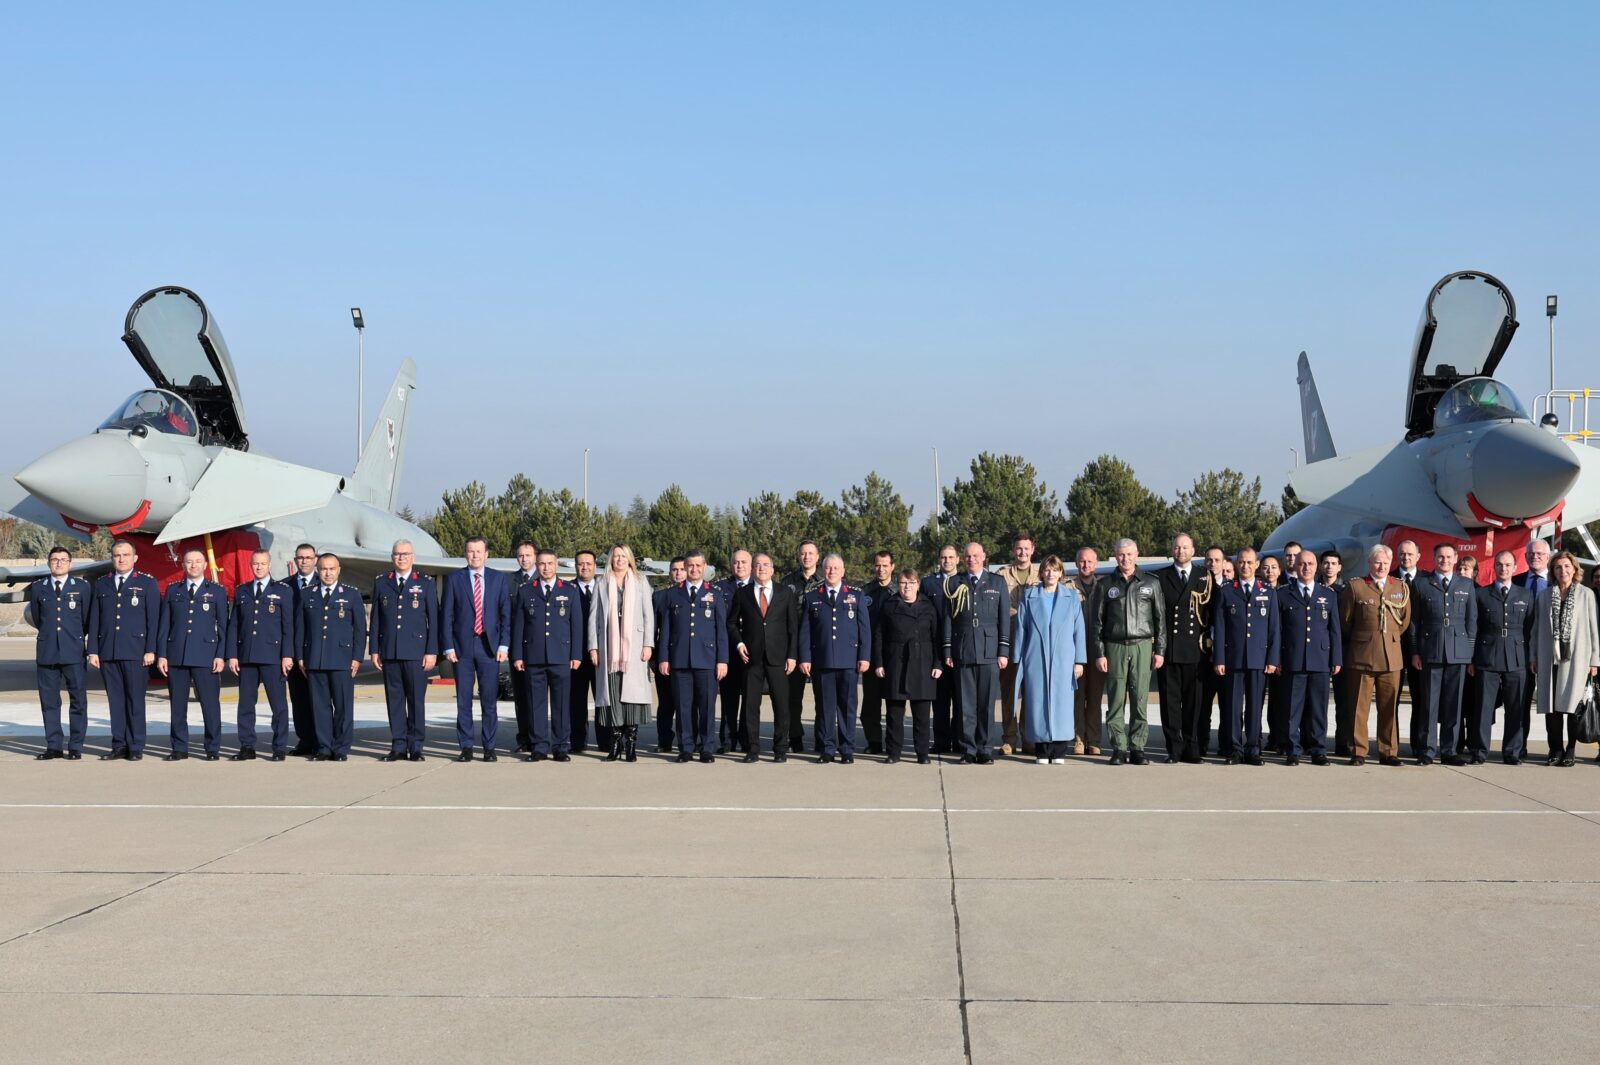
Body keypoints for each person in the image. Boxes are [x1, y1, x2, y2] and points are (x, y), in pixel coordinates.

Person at [1092, 538, 1164, 765]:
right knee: (1115, 700)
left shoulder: (1151, 583)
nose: (1125, 559)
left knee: (1140, 698)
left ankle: (1138, 748)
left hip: (1142, 645)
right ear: (1115, 556)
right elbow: (1097, 623)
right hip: (1115, 647)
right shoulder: (1105, 585)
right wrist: (1100, 653)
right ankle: (1119, 748)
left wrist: (1159, 649)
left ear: (1137, 554)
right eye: (1121, 555)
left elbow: (1160, 619)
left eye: (1129, 554)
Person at [1339, 544, 1412, 766]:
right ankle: (1358, 750)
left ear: (1391, 564)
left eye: (1386, 563)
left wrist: (1386, 640)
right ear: (1369, 563)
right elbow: (1345, 622)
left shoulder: (1400, 587)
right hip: (1362, 656)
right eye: (1377, 562)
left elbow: (1404, 621)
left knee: (1389, 707)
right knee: (1359, 707)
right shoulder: (1356, 587)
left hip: (1391, 657)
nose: (1381, 566)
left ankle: (1388, 751)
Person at [87, 539, 160, 760]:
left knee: (135, 701)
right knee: (115, 702)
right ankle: (119, 744)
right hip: (108, 651)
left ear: (135, 558)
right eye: (117, 555)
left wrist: (151, 649)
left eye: (126, 555)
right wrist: (93, 650)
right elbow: (95, 620)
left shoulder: (147, 584)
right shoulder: (102, 584)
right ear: (112, 558)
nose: (121, 559)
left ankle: (136, 746)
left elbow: (153, 620)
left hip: (136, 652)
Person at [511, 548, 585, 762]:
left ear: (556, 565)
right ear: (537, 565)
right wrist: (517, 655)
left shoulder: (569, 590)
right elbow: (519, 627)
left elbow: (576, 626)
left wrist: (576, 654)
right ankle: (539, 746)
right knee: (536, 704)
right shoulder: (526, 590)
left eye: (550, 563)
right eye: (541, 564)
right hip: (533, 657)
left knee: (562, 704)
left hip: (561, 657)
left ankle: (561, 746)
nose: (546, 567)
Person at [441, 536, 510, 761]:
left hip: (489, 647)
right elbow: (447, 616)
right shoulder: (454, 579)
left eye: (479, 551)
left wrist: (503, 644)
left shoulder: (498, 579)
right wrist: (448, 647)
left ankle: (489, 747)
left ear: (486, 554)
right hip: (463, 648)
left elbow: (505, 615)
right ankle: (466, 746)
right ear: (465, 554)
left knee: (489, 700)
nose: (475, 555)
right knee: (463, 700)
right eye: (470, 551)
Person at [1408, 543, 1478, 766]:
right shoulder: (1421, 584)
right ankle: (1427, 750)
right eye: (1440, 557)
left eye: (1449, 557)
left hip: (1458, 652)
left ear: (1456, 558)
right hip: (1431, 651)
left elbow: (1471, 621)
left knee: (1453, 704)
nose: (1444, 560)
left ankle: (1449, 750)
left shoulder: (1466, 584)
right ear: (1434, 558)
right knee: (1429, 703)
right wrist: (1415, 651)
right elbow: (1414, 622)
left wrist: (1469, 653)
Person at [1012, 556, 1087, 765]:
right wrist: (1017, 658)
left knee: (1062, 704)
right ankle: (1042, 750)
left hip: (1064, 659)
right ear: (1041, 573)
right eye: (1047, 570)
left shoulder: (1071, 598)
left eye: (1055, 570)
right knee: (1037, 702)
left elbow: (1078, 631)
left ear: (1061, 573)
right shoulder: (1029, 597)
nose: (1050, 574)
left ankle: (1059, 750)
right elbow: (1021, 629)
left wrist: (1079, 660)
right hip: (1035, 657)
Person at [368, 540, 438, 762]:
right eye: (397, 554)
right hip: (390, 651)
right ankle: (398, 745)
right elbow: (377, 619)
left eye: (405, 554)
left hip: (416, 652)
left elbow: (433, 621)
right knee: (394, 699)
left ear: (413, 557)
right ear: (392, 557)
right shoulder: (382, 583)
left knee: (416, 700)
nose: (401, 558)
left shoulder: (425, 583)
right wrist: (375, 650)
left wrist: (431, 651)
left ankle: (416, 745)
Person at [799, 553, 872, 763]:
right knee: (824, 707)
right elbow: (805, 631)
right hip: (822, 661)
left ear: (843, 571)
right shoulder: (813, 596)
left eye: (835, 568)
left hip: (849, 661)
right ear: (822, 570)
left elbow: (864, 630)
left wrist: (864, 657)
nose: (831, 572)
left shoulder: (855, 595)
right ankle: (828, 748)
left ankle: (847, 748)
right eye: (828, 568)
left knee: (847, 707)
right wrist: (805, 658)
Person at [943, 541, 1011, 765]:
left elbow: (1003, 619)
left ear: (984, 557)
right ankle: (968, 749)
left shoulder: (996, 582)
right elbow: (947, 619)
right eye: (968, 556)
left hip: (989, 651)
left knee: (986, 704)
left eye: (975, 556)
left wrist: (1003, 650)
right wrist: (948, 649)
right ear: (963, 559)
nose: (972, 559)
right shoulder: (954, 582)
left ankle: (985, 748)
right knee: (965, 705)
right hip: (963, 650)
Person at [157, 548, 228, 761]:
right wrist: (162, 654)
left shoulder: (216, 591)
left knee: (210, 704)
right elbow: (164, 625)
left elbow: (224, 626)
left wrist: (220, 655)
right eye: (189, 561)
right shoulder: (173, 590)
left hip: (206, 655)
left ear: (205, 565)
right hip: (177, 654)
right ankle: (179, 748)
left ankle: (212, 748)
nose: (193, 565)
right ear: (183, 565)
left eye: (198, 561)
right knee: (178, 705)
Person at [729, 553, 800, 761]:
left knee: (781, 706)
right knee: (751, 705)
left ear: (773, 569)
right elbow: (731, 623)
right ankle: (752, 749)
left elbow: (793, 628)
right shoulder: (742, 594)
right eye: (758, 565)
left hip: (779, 658)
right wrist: (739, 643)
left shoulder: (785, 593)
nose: (761, 568)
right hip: (751, 658)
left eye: (766, 565)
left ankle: (780, 749)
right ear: (752, 569)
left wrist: (792, 656)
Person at [659, 549, 728, 762]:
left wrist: (722, 660)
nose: (694, 569)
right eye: (691, 565)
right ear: (685, 567)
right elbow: (666, 630)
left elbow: (721, 631)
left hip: (707, 660)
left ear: (704, 567)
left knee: (707, 706)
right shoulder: (672, 594)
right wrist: (663, 657)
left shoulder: (714, 594)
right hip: (680, 659)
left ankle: (706, 747)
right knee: (683, 707)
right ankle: (686, 747)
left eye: (698, 566)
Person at [1212, 547, 1279, 765]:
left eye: (1250, 562)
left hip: (1258, 659)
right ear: (1235, 563)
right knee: (1232, 707)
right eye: (1241, 562)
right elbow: (1220, 628)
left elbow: (1274, 629)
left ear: (1257, 565)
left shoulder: (1268, 591)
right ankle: (1235, 749)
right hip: (1234, 658)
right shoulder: (1226, 591)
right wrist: (1219, 658)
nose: (1245, 566)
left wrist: (1272, 659)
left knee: (1254, 706)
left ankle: (1253, 749)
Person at [588, 544, 655, 763]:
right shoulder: (602, 582)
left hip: (634, 649)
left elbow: (648, 615)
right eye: (616, 556)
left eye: (623, 556)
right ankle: (615, 744)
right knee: (613, 696)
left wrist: (648, 644)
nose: (619, 559)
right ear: (610, 559)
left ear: (630, 559)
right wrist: (593, 647)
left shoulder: (640, 581)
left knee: (632, 698)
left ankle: (631, 745)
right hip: (609, 650)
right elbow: (594, 617)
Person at [295, 553, 365, 760]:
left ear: (339, 570)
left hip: (342, 659)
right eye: (324, 569)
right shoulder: (307, 594)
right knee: (320, 707)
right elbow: (301, 628)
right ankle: (324, 747)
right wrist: (300, 655)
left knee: (343, 706)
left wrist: (357, 657)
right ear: (318, 570)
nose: (328, 573)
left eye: (332, 569)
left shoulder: (351, 595)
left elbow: (359, 629)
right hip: (315, 658)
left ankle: (341, 748)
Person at [1533, 550, 1600, 766]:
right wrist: (1533, 656)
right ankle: (1555, 749)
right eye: (1558, 567)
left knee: (1572, 707)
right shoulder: (1544, 595)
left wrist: (1594, 660)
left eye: (1567, 567)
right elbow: (1535, 628)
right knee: (1551, 708)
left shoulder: (1586, 594)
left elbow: (1593, 629)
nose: (1563, 571)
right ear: (1552, 571)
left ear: (1574, 570)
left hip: (1577, 659)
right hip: (1548, 657)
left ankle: (1570, 750)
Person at [228, 549, 294, 761]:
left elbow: (288, 627)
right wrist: (232, 655)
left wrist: (287, 655)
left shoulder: (282, 590)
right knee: (246, 705)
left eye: (263, 563)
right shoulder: (242, 591)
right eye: (255, 564)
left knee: (278, 705)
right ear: (251, 565)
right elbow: (234, 625)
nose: (259, 567)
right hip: (247, 656)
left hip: (273, 657)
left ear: (269, 565)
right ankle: (247, 746)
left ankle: (279, 747)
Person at [1277, 550, 1340, 766]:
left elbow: (1334, 630)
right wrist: (1276, 658)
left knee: (1318, 708)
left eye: (1311, 564)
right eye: (1302, 564)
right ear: (1296, 566)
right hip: (1293, 658)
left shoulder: (1328, 594)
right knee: (1292, 709)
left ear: (1317, 567)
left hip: (1320, 659)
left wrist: (1336, 659)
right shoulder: (1283, 593)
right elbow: (1277, 631)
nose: (1306, 568)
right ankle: (1293, 749)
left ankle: (1318, 749)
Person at [1471, 550, 1534, 765]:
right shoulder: (1481, 594)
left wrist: (1529, 656)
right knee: (1483, 707)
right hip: (1487, 655)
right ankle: (1479, 751)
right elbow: (1475, 627)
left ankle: (1512, 752)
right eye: (1499, 564)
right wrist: (1472, 658)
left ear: (1515, 568)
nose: (1503, 568)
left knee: (1515, 707)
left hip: (1517, 657)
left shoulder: (1525, 595)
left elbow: (1530, 628)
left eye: (1508, 565)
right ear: (1494, 567)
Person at [873, 566, 941, 763]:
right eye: (903, 583)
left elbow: (936, 637)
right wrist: (879, 662)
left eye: (911, 583)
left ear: (917, 584)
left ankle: (922, 753)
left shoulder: (928, 606)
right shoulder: (889, 605)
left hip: (922, 664)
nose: (906, 587)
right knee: (894, 714)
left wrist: (938, 663)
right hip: (896, 663)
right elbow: (879, 636)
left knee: (921, 715)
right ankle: (893, 753)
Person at [28, 545, 90, 760]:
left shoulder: (81, 588)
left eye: (63, 559)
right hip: (47, 653)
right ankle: (53, 745)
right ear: (49, 563)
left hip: (73, 652)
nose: (59, 563)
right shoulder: (38, 588)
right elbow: (38, 618)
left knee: (78, 701)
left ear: (70, 564)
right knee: (49, 701)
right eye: (55, 559)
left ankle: (75, 746)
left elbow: (86, 620)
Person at [1158, 533, 1211, 763]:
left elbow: (1209, 615)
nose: (1180, 551)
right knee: (1170, 705)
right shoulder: (1161, 577)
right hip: (1169, 650)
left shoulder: (1204, 577)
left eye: (1185, 547)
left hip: (1194, 651)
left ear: (1193, 551)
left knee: (1193, 703)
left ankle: (1192, 747)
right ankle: (1174, 748)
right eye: (1177, 547)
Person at [997, 533, 1040, 756]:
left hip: (1034, 640)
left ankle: (1029, 738)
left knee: (1031, 692)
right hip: (1010, 638)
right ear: (1013, 550)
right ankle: (1009, 739)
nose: (1022, 552)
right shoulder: (1002, 575)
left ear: (1033, 550)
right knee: (1009, 692)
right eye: (1018, 549)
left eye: (1026, 548)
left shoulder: (1042, 574)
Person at [782, 540, 825, 752]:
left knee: (823, 697)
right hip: (795, 647)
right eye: (802, 553)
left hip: (821, 646)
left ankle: (821, 738)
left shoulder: (827, 579)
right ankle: (795, 737)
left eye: (810, 553)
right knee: (793, 698)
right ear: (798, 557)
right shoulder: (787, 582)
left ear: (818, 557)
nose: (806, 557)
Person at [921, 544, 962, 753]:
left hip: (961, 648)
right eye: (943, 557)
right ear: (939, 560)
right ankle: (941, 741)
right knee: (940, 700)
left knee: (961, 699)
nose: (947, 561)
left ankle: (959, 741)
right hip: (936, 649)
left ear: (958, 559)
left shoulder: (964, 582)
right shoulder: (928, 583)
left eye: (951, 557)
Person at [1065, 547, 1104, 756]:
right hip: (1075, 651)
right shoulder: (1067, 588)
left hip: (1097, 650)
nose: (1085, 565)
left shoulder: (1104, 587)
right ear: (1076, 563)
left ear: (1096, 564)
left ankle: (1094, 739)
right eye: (1081, 561)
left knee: (1095, 697)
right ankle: (1079, 740)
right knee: (1078, 697)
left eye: (1089, 562)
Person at [859, 549, 899, 755]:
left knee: (894, 701)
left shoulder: (900, 590)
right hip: (872, 655)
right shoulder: (865, 591)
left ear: (892, 566)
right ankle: (874, 741)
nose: (881, 569)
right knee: (871, 702)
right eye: (877, 565)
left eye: (885, 565)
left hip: (894, 655)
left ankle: (893, 742)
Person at [283, 543, 321, 756]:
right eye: (301, 557)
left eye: (308, 557)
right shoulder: (285, 586)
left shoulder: (325, 583)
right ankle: (305, 740)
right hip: (293, 653)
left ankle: (322, 740)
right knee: (298, 700)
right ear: (295, 560)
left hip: (318, 652)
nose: (305, 561)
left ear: (315, 559)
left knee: (320, 700)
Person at [713, 549, 753, 753]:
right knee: (728, 699)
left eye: (744, 562)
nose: (740, 566)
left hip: (751, 653)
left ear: (751, 564)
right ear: (731, 565)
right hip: (728, 651)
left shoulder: (759, 586)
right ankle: (727, 740)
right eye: (736, 562)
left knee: (749, 699)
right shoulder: (720, 588)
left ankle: (747, 740)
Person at [1320, 549, 1353, 756]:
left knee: (1344, 701)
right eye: (1326, 562)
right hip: (1317, 651)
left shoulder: (1347, 591)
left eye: (1333, 563)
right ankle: (1313, 741)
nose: (1329, 566)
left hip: (1341, 651)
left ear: (1340, 567)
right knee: (1316, 701)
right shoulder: (1313, 589)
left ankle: (1343, 743)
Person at [508, 542, 539, 755]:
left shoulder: (544, 578)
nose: (524, 559)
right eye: (520, 555)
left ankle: (543, 737)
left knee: (541, 697)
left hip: (540, 646)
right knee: (521, 696)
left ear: (535, 556)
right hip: (517, 646)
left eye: (528, 555)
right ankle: (525, 738)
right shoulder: (509, 581)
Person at [652, 557, 686, 752]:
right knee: (666, 703)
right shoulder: (660, 596)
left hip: (687, 658)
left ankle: (689, 740)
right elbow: (654, 629)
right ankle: (664, 741)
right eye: (674, 570)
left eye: (682, 569)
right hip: (664, 658)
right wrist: (655, 658)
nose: (678, 573)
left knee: (687, 704)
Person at [570, 549, 600, 753]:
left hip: (601, 656)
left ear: (595, 565)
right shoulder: (568, 589)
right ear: (575, 566)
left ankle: (606, 742)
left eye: (588, 563)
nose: (585, 567)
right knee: (576, 702)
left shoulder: (606, 587)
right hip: (577, 656)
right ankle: (578, 743)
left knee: (603, 701)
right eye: (581, 563)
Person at [1258, 553, 1288, 752]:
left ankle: (1279, 738)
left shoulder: (1286, 592)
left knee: (1280, 699)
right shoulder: (1257, 590)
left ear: (1280, 570)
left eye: (1274, 567)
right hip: (1259, 652)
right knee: (1257, 698)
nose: (1270, 571)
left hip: (1281, 654)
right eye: (1266, 567)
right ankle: (1257, 737)